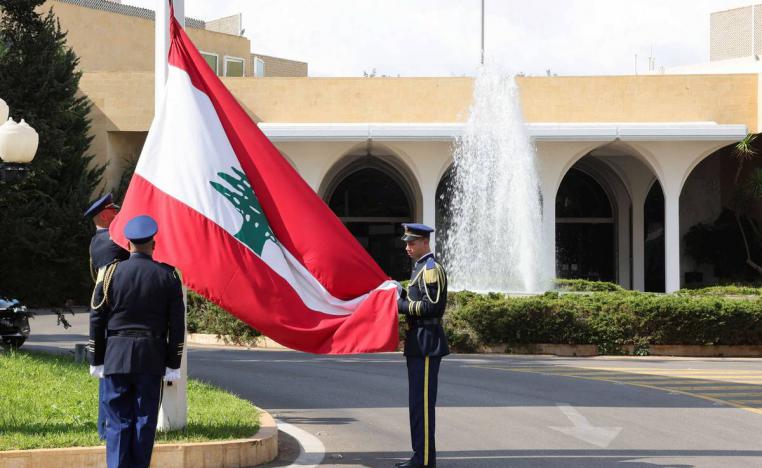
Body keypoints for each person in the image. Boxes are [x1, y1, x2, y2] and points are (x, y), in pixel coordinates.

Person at [88, 215, 185, 468]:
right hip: (151, 357)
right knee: (145, 419)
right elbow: (176, 325)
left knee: (118, 420)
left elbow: (97, 318)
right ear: (153, 244)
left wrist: (96, 359)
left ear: (128, 244)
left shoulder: (110, 274)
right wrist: (173, 364)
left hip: (116, 356)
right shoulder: (168, 277)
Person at [395, 223, 449, 468]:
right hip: (418, 342)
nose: (408, 247)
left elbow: (432, 307)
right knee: (417, 404)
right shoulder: (418, 268)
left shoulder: (430, 269)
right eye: (407, 243)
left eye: (412, 243)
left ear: (425, 243)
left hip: (427, 342)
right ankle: (420, 456)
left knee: (423, 405)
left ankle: (424, 461)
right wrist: (402, 294)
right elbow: (419, 301)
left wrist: (401, 305)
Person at [83, 192, 129, 440]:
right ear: (104, 215)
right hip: (115, 313)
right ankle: (108, 427)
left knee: (108, 374)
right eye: (114, 210)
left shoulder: (97, 240)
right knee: (112, 377)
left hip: (107, 313)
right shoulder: (113, 241)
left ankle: (106, 426)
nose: (118, 213)